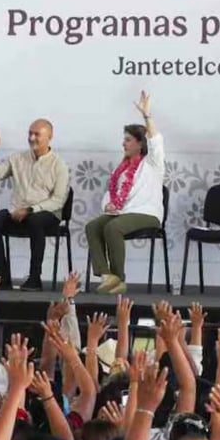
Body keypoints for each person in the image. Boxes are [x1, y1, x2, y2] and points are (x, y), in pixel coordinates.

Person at [85, 91, 165, 294]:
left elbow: (156, 141)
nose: (123, 143)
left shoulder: (152, 163)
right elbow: (110, 193)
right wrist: (108, 205)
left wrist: (147, 116)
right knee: (93, 226)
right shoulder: (121, 168)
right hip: (123, 213)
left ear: (140, 143)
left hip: (147, 214)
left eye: (128, 140)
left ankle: (119, 278)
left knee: (113, 228)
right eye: (124, 140)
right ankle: (106, 275)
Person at [0, 120, 69, 291]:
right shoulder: (17, 158)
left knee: (34, 221)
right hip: (18, 211)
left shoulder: (59, 165)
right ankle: (2, 277)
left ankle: (35, 278)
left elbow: (58, 200)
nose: (31, 137)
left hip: (46, 213)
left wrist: (30, 210)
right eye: (30, 133)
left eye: (37, 134)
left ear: (49, 137)